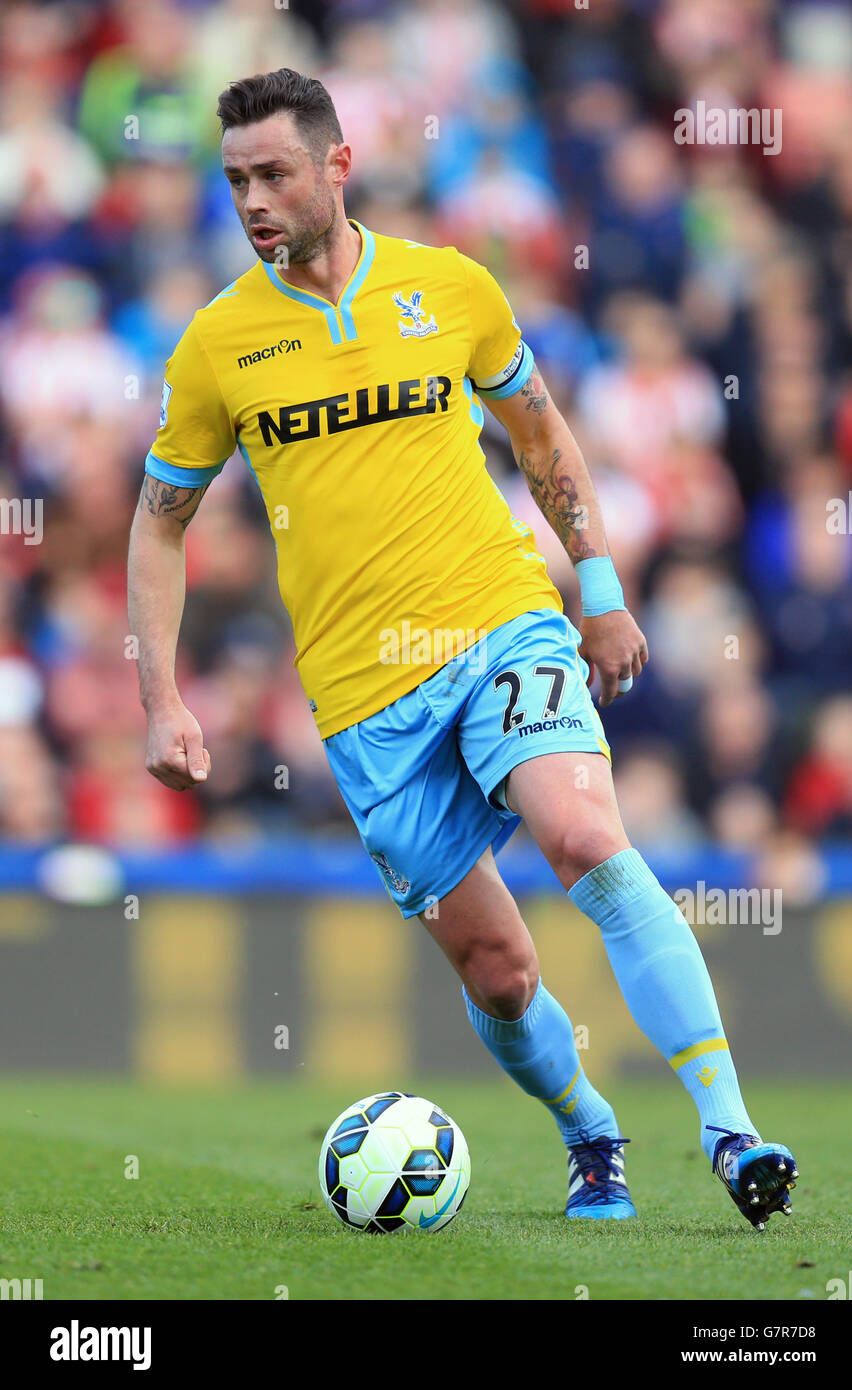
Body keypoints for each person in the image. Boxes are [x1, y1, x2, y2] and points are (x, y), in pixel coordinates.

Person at [127, 67, 797, 1229]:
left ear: (338, 166)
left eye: (274, 173)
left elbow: (540, 435)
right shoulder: (218, 346)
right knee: (500, 971)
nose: (253, 201)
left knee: (586, 834)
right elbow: (159, 521)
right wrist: (161, 698)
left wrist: (598, 592)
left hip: (494, 620)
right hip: (360, 696)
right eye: (235, 180)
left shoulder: (451, 290)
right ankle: (590, 1128)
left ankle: (731, 1130)